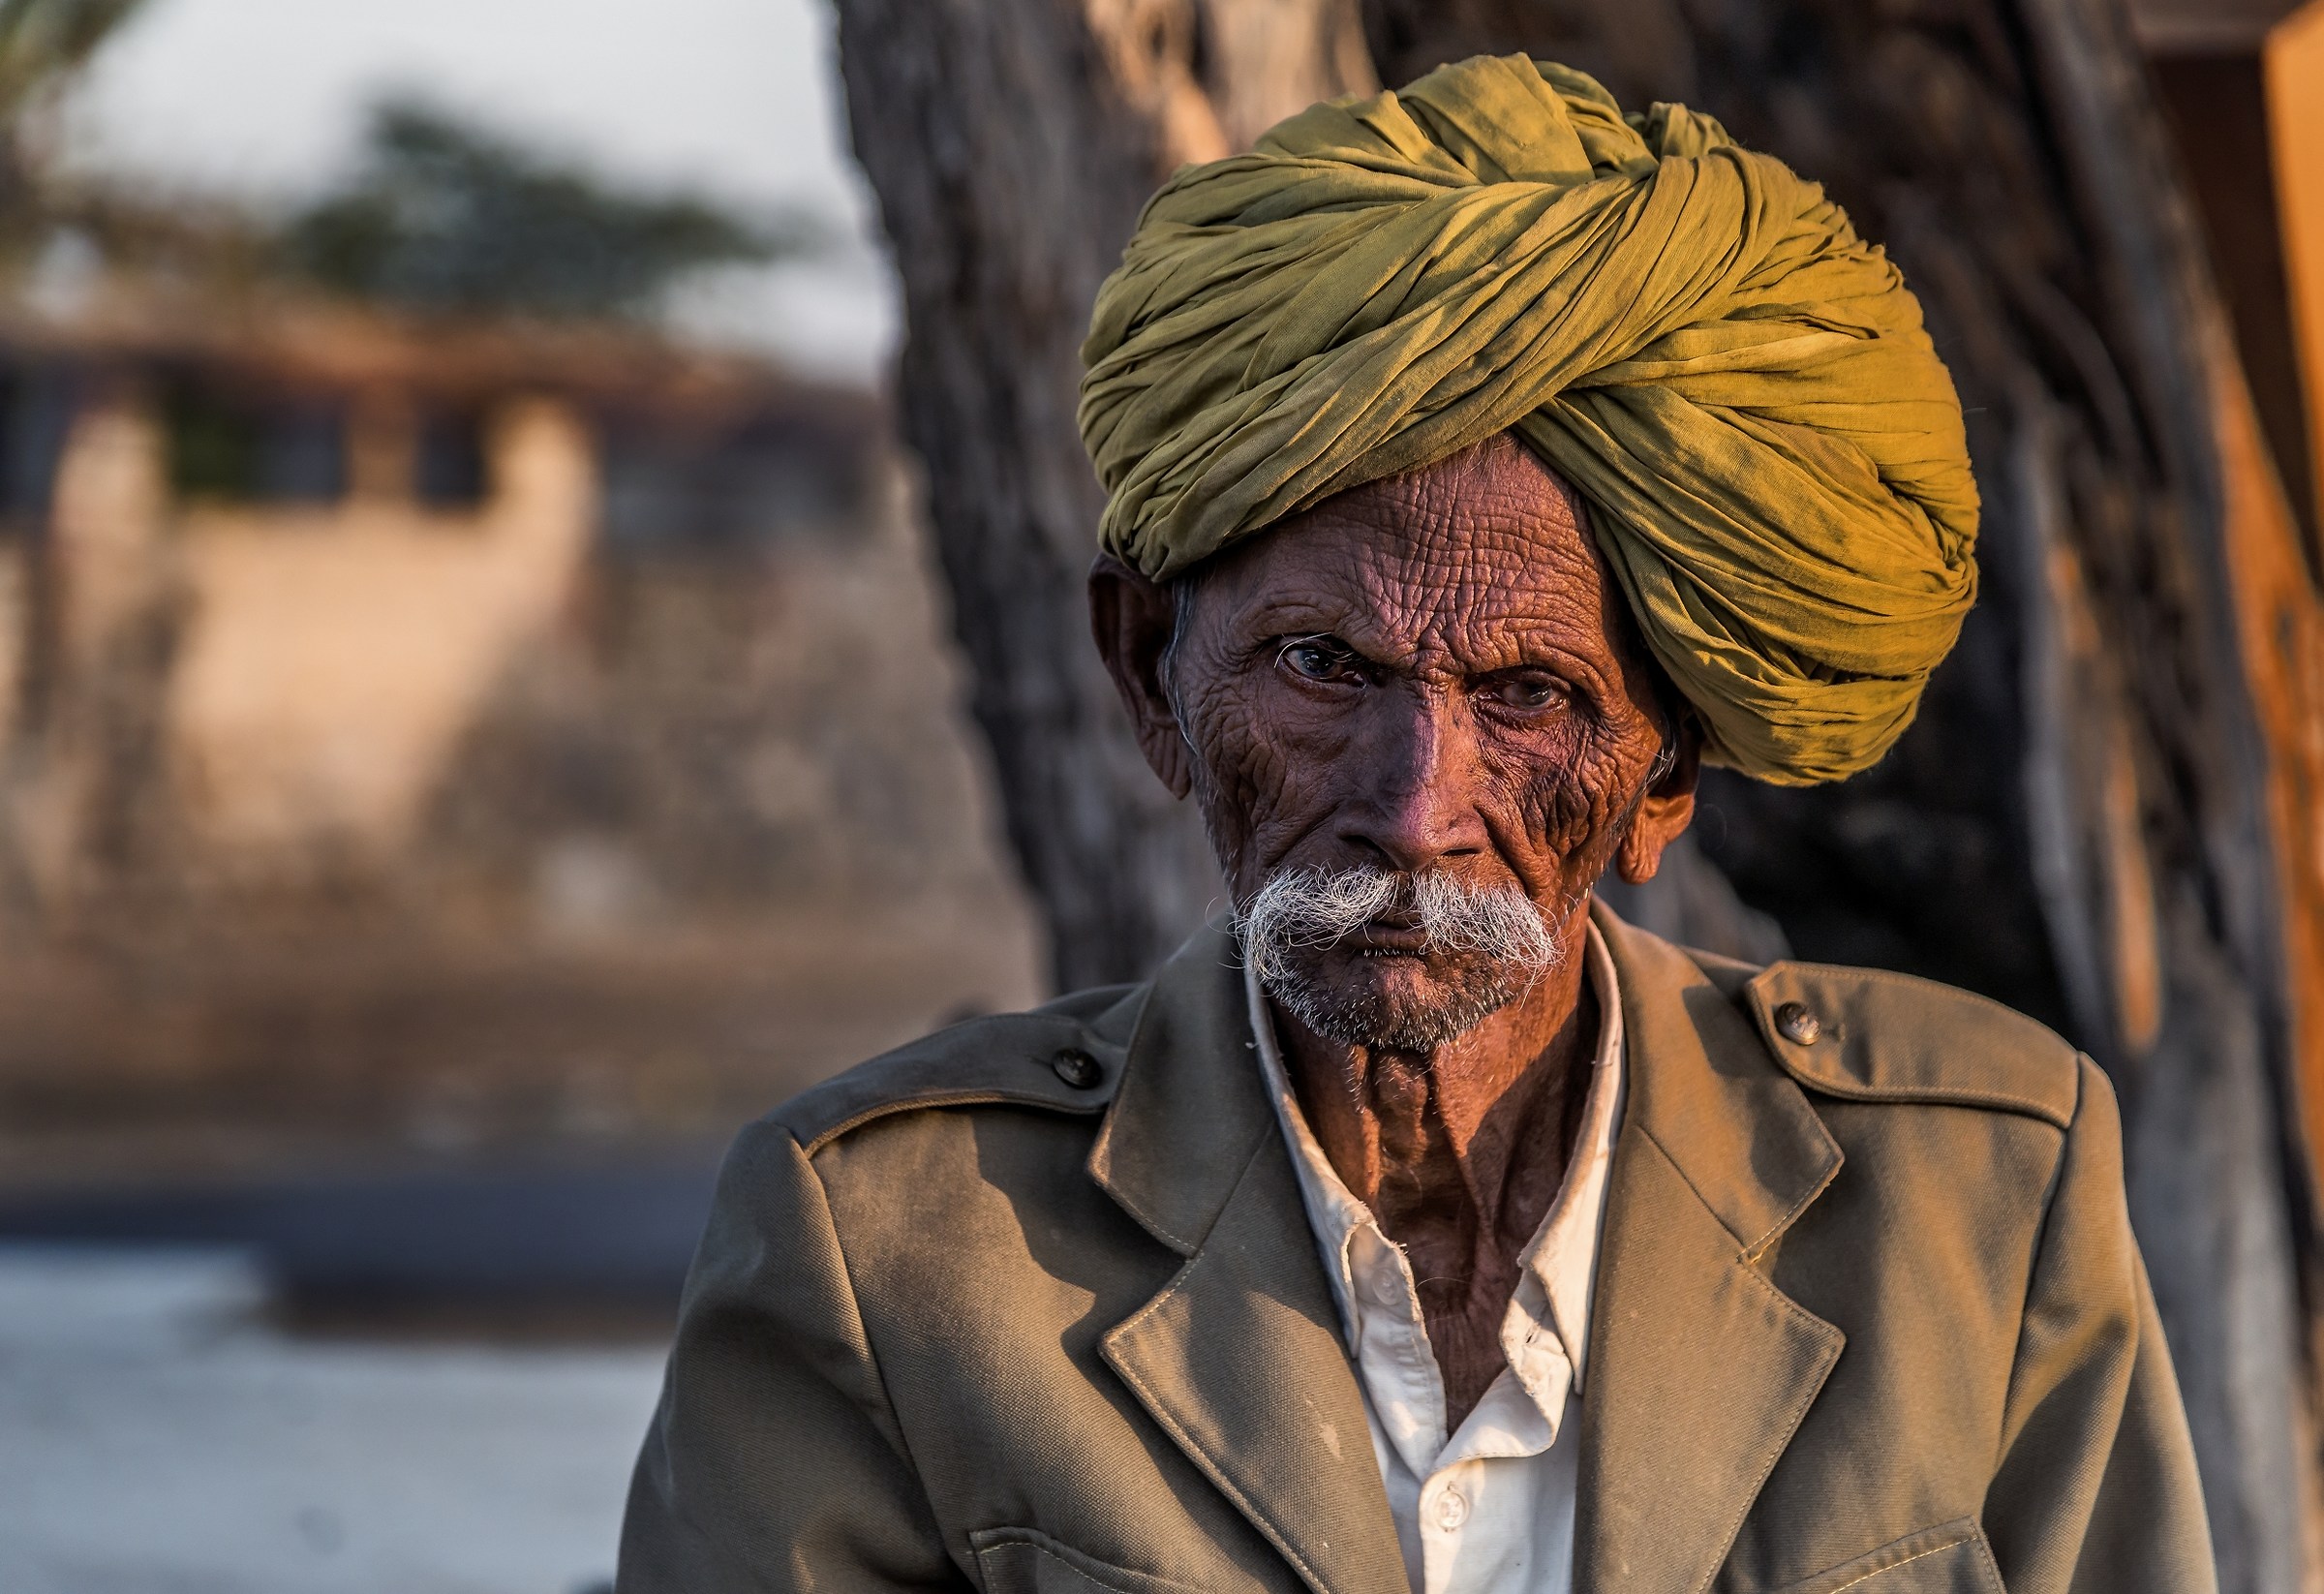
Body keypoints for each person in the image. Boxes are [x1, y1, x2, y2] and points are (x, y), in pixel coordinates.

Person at [617, 56, 2215, 1594]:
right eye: (1322, 667)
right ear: (1151, 678)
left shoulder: (1976, 1197)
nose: (1410, 803)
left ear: (1664, 779)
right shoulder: (889, 1253)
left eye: (1528, 694)